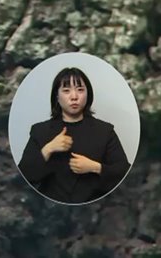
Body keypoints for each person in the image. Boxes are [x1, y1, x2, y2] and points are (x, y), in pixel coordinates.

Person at [18, 66, 131, 204]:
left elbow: (124, 172)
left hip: (95, 208)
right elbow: (24, 175)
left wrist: (95, 167)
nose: (74, 97)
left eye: (80, 90)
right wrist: (48, 149)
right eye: (66, 91)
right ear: (57, 97)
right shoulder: (40, 130)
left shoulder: (105, 131)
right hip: (48, 210)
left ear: (88, 95)